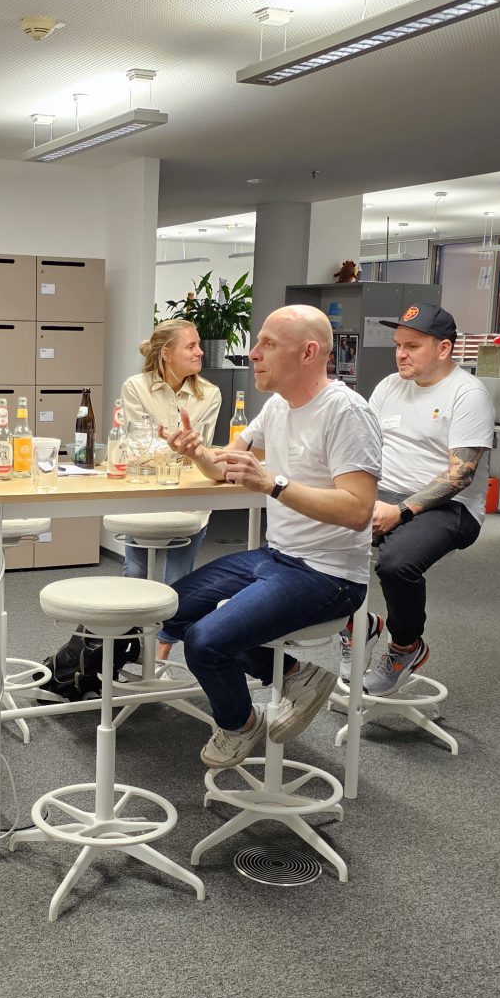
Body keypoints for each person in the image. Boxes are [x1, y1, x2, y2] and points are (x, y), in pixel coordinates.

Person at [157, 306, 382, 769]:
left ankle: (239, 725)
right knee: (173, 608)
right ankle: (294, 674)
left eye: (268, 345)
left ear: (309, 352)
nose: (254, 354)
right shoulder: (277, 406)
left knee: (205, 642)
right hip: (278, 557)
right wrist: (199, 451)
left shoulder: (346, 412)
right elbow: (225, 469)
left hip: (330, 574)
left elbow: (359, 510)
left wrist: (274, 484)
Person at [344, 302, 495, 695]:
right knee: (310, 532)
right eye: (398, 345)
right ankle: (354, 625)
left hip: (450, 507)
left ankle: (404, 647)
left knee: (397, 563)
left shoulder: (468, 394)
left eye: (411, 346)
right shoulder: (389, 386)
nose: (400, 354)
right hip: (384, 493)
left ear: (443, 349)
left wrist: (400, 511)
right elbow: (364, 446)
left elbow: (460, 474)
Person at [119, 318, 223, 663]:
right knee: (135, 573)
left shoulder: (209, 393)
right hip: (143, 494)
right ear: (167, 353)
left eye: (198, 345)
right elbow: (138, 447)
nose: (200, 351)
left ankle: (162, 648)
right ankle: (129, 646)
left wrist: (172, 446)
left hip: (189, 497)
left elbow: (200, 450)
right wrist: (179, 448)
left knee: (181, 580)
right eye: (191, 346)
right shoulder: (136, 387)